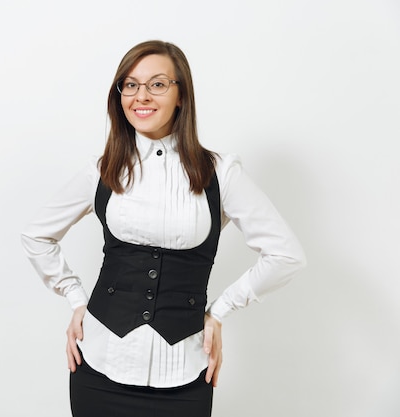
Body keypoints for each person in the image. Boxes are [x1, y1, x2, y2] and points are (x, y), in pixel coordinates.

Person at [21, 40, 306, 417]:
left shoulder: (220, 173)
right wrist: (76, 298)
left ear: (181, 96)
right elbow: (36, 235)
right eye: (130, 84)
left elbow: (285, 255)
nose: (142, 95)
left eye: (157, 84)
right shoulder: (103, 169)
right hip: (99, 364)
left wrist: (219, 311)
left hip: (185, 373)